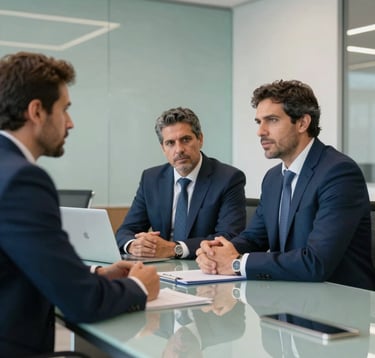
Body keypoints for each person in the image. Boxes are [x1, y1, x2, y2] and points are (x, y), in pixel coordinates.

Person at [0, 52, 160, 356]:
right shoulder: (23, 179)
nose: (70, 123)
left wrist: (95, 276)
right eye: (65, 109)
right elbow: (81, 303)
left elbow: (21, 265)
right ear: (36, 111)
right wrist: (139, 287)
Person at [196, 79, 375, 290]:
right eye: (258, 122)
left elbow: (316, 262)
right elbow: (255, 238)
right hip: (291, 297)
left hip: (339, 305)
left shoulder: (339, 173)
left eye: (271, 120)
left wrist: (236, 263)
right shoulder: (273, 178)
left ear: (302, 123)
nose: (260, 132)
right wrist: (218, 251)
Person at [116, 107, 247, 259]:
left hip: (204, 269)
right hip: (161, 269)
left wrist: (175, 249)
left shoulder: (228, 178)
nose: (179, 150)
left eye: (185, 140)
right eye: (170, 143)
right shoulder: (151, 179)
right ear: (163, 148)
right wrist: (134, 245)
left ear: (200, 139)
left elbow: (228, 237)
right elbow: (126, 230)